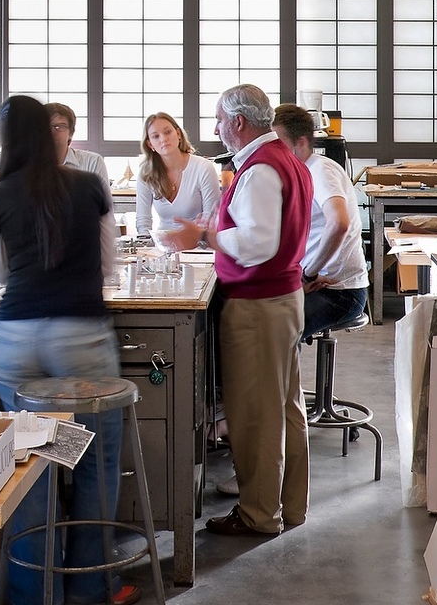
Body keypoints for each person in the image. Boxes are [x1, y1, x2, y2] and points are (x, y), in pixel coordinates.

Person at [0, 96, 123, 605]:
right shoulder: (89, 185)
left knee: (32, 466)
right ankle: (89, 588)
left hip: (18, 343)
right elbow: (108, 265)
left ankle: (34, 594)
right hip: (81, 340)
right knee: (93, 462)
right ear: (51, 134)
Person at [160, 84, 310, 538]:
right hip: (282, 299)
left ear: (238, 123)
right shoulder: (284, 158)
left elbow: (258, 243)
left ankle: (259, 514)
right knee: (285, 408)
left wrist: (204, 237)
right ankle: (289, 506)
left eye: (219, 121)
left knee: (253, 416)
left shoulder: (261, 169)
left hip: (258, 304)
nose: (216, 129)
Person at [272, 104, 370, 340]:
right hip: (314, 283)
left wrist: (308, 273)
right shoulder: (298, 171)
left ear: (302, 143)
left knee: (272, 331)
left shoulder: (319, 170)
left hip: (339, 292)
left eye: (279, 144)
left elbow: (339, 223)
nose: (273, 151)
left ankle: (280, 377)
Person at [133, 111, 222, 243]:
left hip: (198, 244)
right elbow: (143, 220)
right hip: (163, 245)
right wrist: (147, 245)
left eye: (167, 132)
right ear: (150, 144)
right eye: (155, 136)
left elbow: (212, 218)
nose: (163, 139)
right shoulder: (146, 173)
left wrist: (197, 241)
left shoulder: (203, 167)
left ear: (178, 134)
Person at [47, 101, 110, 186]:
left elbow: (103, 199)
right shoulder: (27, 165)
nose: (52, 131)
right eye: (46, 126)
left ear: (70, 133)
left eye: (59, 127)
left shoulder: (92, 162)